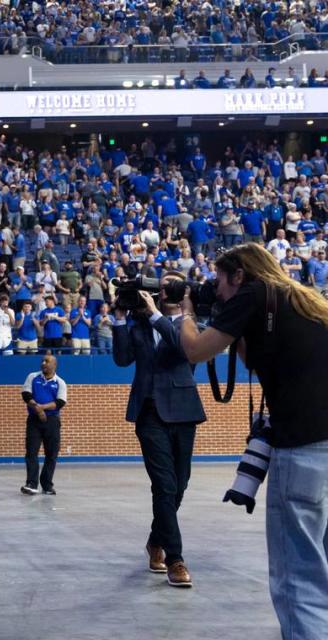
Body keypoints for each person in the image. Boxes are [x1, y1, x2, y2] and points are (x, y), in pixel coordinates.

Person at [179, 243, 328, 636]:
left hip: (302, 448)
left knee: (297, 573)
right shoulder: (303, 298)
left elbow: (195, 351)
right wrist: (230, 319)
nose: (219, 290)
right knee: (320, 558)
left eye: (220, 282)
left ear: (239, 274)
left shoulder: (253, 293)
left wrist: (189, 313)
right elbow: (257, 358)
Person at [112, 272, 206, 589]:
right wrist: (121, 317)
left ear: (180, 292)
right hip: (148, 411)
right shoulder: (139, 325)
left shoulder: (191, 324)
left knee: (180, 484)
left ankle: (156, 540)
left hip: (183, 409)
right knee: (164, 485)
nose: (162, 289)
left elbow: (183, 350)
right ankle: (175, 559)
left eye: (169, 285)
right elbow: (122, 359)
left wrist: (154, 314)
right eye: (158, 284)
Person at [20, 355, 67, 496]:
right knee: (31, 453)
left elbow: (60, 402)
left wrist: (42, 408)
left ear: (54, 365)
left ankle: (47, 485)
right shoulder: (32, 377)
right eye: (42, 361)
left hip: (52, 421)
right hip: (34, 420)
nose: (43, 363)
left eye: (47, 361)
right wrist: (37, 409)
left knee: (51, 454)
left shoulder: (60, 382)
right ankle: (31, 484)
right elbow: (26, 395)